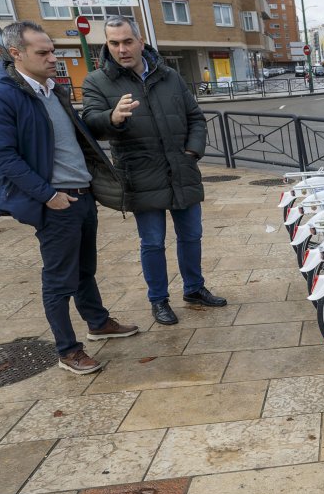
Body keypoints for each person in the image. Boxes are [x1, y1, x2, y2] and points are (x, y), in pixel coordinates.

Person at [0, 21, 138, 374]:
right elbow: (1, 157)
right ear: (16, 54)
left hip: (81, 196)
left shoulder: (52, 89)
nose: (53, 58)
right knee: (58, 280)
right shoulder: (0, 95)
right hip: (56, 202)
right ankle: (68, 350)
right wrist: (49, 196)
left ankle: (98, 322)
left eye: (52, 50)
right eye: (43, 53)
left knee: (84, 269)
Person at [81, 16, 227, 327]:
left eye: (127, 41)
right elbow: (90, 122)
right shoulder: (98, 81)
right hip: (140, 173)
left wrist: (192, 151)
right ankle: (158, 300)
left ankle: (194, 288)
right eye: (114, 43)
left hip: (181, 169)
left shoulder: (169, 75)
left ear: (140, 41)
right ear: (107, 45)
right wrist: (113, 117)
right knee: (152, 242)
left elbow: (196, 117)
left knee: (191, 236)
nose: (121, 49)